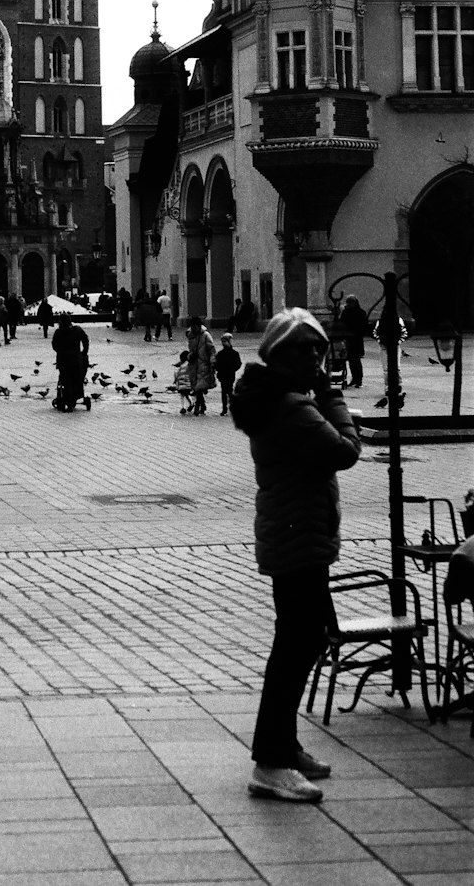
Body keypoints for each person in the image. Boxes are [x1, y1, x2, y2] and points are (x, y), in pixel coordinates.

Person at [231, 307, 361, 804]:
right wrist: (332, 394)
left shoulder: (276, 401)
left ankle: (285, 745)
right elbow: (345, 450)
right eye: (303, 348)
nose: (315, 355)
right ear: (280, 355)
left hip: (298, 537)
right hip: (297, 540)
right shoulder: (292, 408)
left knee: (306, 638)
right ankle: (271, 761)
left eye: (318, 346)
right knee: (295, 647)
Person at [52, 311, 90, 411]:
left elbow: (54, 345)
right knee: (77, 380)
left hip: (63, 361)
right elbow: (85, 340)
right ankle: (76, 396)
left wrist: (61, 352)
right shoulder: (77, 329)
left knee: (66, 381)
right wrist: (84, 352)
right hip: (76, 360)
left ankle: (68, 400)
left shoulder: (58, 332)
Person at [187, 316, 217, 416]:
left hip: (203, 363)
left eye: (195, 326)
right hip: (194, 363)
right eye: (192, 327)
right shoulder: (190, 336)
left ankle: (197, 407)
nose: (193, 329)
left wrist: (212, 361)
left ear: (199, 326)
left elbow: (212, 349)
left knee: (199, 387)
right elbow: (191, 350)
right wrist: (190, 355)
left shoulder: (206, 335)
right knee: (196, 386)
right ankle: (202, 405)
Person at [338, 294, 368, 388]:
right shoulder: (360, 312)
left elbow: (342, 324)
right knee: (353, 360)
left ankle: (357, 379)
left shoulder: (348, 312)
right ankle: (356, 379)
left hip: (353, 339)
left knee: (354, 360)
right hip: (354, 339)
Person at [215, 333, 242, 416]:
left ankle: (232, 406)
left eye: (225, 341)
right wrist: (218, 370)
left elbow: (238, 363)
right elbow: (217, 364)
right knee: (224, 391)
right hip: (223, 375)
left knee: (229, 390)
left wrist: (232, 369)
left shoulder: (234, 353)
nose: (223, 343)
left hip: (230, 375)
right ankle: (224, 408)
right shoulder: (220, 354)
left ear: (229, 342)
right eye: (222, 341)